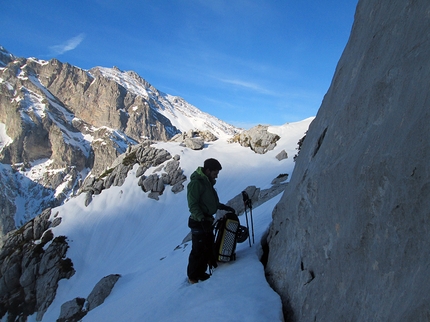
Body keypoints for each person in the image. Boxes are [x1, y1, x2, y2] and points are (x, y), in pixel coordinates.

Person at [186, 158, 234, 284]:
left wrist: (222, 207)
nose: (216, 176)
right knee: (198, 249)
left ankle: (201, 273)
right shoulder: (197, 183)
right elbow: (193, 205)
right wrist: (201, 219)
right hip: (198, 222)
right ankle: (193, 276)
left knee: (207, 247)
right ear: (207, 170)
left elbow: (210, 202)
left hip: (206, 220)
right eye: (215, 173)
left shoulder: (208, 182)